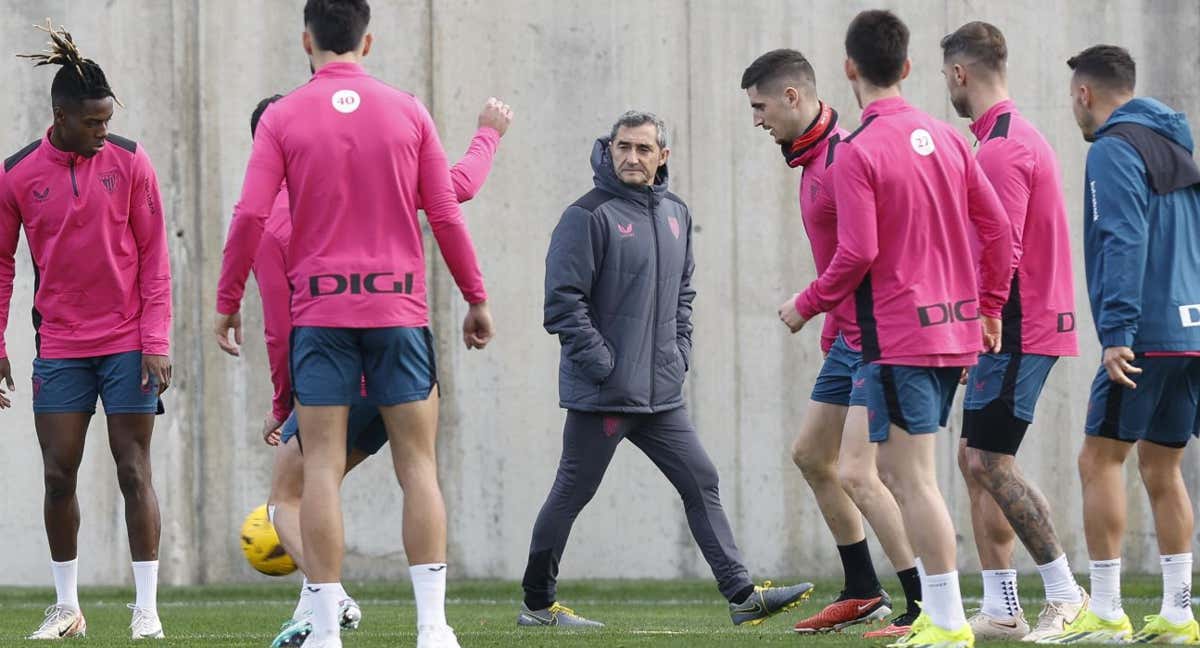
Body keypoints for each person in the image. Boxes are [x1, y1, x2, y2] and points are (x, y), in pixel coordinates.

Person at [212, 1, 494, 647]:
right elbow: (446, 213)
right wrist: (475, 296)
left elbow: (252, 215)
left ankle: (325, 631)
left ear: (307, 38)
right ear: (366, 41)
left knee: (317, 472)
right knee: (418, 467)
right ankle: (433, 629)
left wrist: (226, 300)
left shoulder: (282, 116)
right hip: (398, 308)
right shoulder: (407, 109)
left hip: (321, 312)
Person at [517, 109, 813, 630]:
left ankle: (742, 596)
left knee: (701, 480)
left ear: (663, 157)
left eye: (643, 149)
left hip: (661, 395)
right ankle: (538, 607)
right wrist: (606, 366)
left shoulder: (675, 213)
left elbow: (683, 295)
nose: (631, 157)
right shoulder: (586, 215)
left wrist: (679, 352)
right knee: (572, 493)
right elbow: (562, 305)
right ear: (608, 149)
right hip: (605, 394)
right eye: (622, 147)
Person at [778, 10, 1012, 648]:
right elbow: (997, 230)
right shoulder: (950, 137)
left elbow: (856, 254)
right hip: (952, 334)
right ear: (908, 67)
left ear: (849, 68)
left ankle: (944, 620)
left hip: (899, 338)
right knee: (905, 476)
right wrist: (989, 306)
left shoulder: (856, 150)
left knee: (911, 481)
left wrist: (807, 303)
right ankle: (932, 614)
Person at [253, 94, 513, 648]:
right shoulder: (377, 168)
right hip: (397, 338)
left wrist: (283, 405)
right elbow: (453, 191)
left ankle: (328, 608)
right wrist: (487, 134)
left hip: (331, 360)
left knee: (292, 496)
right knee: (415, 470)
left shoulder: (275, 218)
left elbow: (280, 325)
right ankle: (432, 628)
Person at [0, 21, 172, 641]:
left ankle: (145, 608)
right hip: (62, 346)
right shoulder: (17, 174)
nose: (104, 130)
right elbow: (0, 264)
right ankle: (67, 606)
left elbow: (155, 256)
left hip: (127, 341)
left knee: (133, 469)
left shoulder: (130, 160)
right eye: (93, 122)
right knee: (57, 474)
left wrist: (156, 339)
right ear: (61, 116)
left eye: (107, 120)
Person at [740, 48, 921, 638]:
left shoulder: (844, 156)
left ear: (793, 96)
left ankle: (925, 607)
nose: (758, 119)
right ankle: (863, 591)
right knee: (812, 456)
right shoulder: (811, 159)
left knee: (859, 473)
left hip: (878, 336)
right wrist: (831, 323)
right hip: (847, 334)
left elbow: (866, 253)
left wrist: (809, 304)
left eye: (761, 107)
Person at [1040, 45, 1200, 645]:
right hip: (1191, 332)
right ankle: (1179, 616)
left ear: (1085, 94)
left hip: (1145, 337)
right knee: (1163, 466)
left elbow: (1121, 238)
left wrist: (1118, 333)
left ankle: (1105, 612)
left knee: (1098, 460)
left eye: (1072, 98)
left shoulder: (1114, 148)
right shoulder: (1175, 144)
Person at [939, 21, 1088, 642]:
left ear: (958, 74)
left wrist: (983, 320)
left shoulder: (1001, 147)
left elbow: (1004, 245)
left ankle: (1066, 593)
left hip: (1019, 323)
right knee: (974, 461)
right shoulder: (1003, 138)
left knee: (990, 461)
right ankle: (1003, 607)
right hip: (1014, 321)